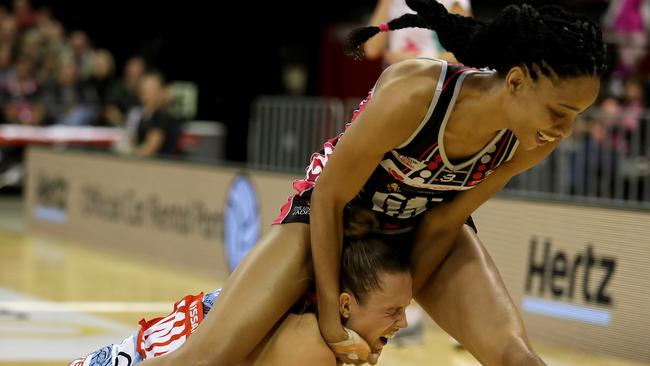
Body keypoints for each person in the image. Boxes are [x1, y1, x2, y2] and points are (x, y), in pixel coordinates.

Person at [140, 1, 606, 365]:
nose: (563, 131)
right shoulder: (417, 91)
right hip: (332, 216)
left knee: (515, 358)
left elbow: (445, 223)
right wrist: (333, 322)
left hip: (420, 228)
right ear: (518, 81)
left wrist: (387, 318)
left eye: (576, 117)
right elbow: (329, 197)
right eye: (559, 112)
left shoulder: (533, 139)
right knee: (205, 358)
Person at [69, 220, 412, 366]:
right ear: (346, 304)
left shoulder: (293, 286)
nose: (404, 321)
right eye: (393, 310)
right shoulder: (309, 348)